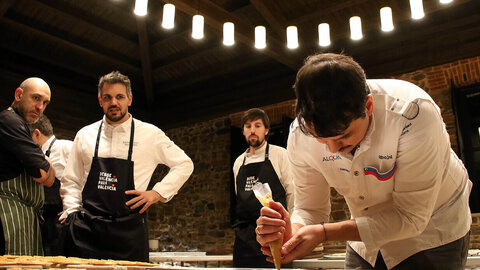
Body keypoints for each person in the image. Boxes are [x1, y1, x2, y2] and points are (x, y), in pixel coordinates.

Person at [255, 53, 472, 269]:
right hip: (364, 236)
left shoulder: (411, 114)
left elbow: (411, 218)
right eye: (321, 140)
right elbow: (311, 209)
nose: (333, 149)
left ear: (368, 106)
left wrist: (323, 233)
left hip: (433, 232)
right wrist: (292, 231)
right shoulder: (300, 134)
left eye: (343, 137)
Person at [60, 71, 194, 262]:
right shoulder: (84, 134)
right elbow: (71, 179)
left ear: (129, 99)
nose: (113, 102)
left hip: (130, 233)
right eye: (107, 97)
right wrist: (71, 211)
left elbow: (184, 164)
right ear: (100, 100)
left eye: (119, 97)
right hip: (87, 230)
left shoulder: (150, 134)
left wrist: (156, 193)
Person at [232, 108, 294, 268]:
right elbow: (239, 198)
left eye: (257, 126)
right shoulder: (238, 163)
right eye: (248, 126)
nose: (252, 130)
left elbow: (293, 194)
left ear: (266, 130)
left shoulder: (280, 155)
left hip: (275, 238)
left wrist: (291, 233)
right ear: (243, 131)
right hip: (244, 242)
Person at [0, 77, 55, 255]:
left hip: (25, 216)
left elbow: (48, 177)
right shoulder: (9, 121)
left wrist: (45, 165)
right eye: (36, 98)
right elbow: (41, 174)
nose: (40, 107)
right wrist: (46, 162)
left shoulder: (22, 127)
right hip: (9, 215)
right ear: (18, 94)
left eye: (45, 102)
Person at [28, 114, 73, 255]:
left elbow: (86, 177)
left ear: (36, 134)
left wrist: (75, 208)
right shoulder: (36, 154)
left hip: (61, 220)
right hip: (44, 220)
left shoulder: (65, 147)